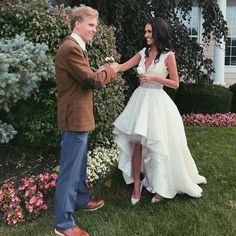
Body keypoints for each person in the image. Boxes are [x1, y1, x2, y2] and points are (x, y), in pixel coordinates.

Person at [113, 17, 207, 205]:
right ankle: (137, 185)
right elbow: (123, 66)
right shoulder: (142, 53)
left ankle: (162, 186)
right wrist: (109, 67)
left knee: (158, 145)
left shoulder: (168, 55)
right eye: (145, 31)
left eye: (149, 32)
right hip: (139, 102)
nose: (146, 35)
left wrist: (156, 77)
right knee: (136, 144)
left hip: (157, 103)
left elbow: (175, 83)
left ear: (158, 33)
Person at [54, 6, 118, 236]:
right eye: (91, 25)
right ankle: (63, 223)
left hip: (79, 118)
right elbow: (91, 81)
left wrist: (99, 71)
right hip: (74, 120)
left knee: (79, 166)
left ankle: (80, 200)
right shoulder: (70, 48)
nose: (95, 29)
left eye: (96, 25)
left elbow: (83, 77)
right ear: (77, 23)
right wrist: (111, 71)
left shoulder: (77, 48)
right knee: (70, 171)